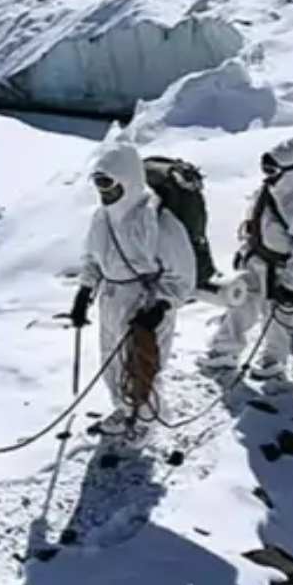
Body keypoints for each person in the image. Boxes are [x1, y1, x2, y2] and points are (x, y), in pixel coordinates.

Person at [68, 141, 196, 439]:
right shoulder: (102, 218)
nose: (103, 192)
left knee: (143, 365)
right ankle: (124, 410)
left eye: (109, 184)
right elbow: (92, 257)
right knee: (112, 362)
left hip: (144, 303)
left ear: (128, 180)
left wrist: (160, 307)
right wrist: (85, 291)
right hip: (111, 299)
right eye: (99, 184)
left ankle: (145, 421)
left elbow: (182, 277)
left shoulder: (159, 222)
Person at [200, 138, 293, 380]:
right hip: (255, 262)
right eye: (265, 170)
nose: (267, 175)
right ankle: (224, 351)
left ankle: (273, 362)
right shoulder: (269, 191)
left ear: (290, 170)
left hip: (283, 270)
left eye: (272, 171)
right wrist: (244, 253)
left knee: (279, 318)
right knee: (239, 306)